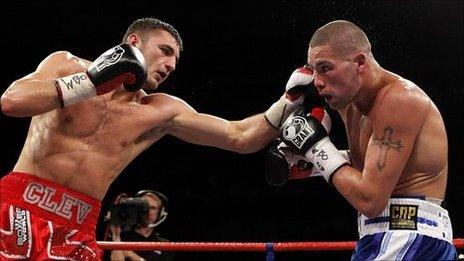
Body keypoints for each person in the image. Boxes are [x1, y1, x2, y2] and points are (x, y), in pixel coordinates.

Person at [0, 17, 313, 260]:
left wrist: (288, 100)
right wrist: (91, 83)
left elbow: (240, 136)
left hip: (76, 228)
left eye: (175, 60)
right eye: (165, 52)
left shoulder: (159, 111)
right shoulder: (66, 64)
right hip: (17, 207)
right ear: (134, 42)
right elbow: (12, 101)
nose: (171, 65)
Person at [276, 20, 458, 260]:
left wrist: (317, 147)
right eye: (313, 70)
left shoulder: (399, 99)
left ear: (359, 63)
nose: (317, 81)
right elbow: (373, 164)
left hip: (408, 237)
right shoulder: (350, 105)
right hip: (382, 238)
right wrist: (312, 162)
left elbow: (370, 199)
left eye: (325, 68)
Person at [108, 190, 174, 261]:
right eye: (145, 207)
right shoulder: (122, 236)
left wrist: (131, 255)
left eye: (153, 208)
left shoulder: (164, 245)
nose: (148, 211)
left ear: (160, 213)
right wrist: (116, 237)